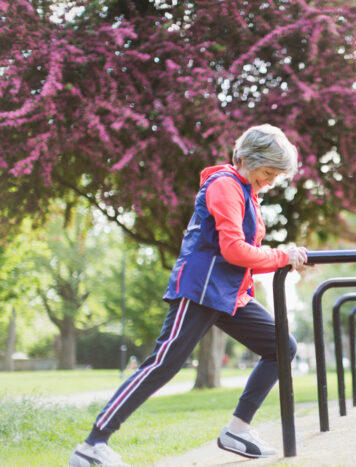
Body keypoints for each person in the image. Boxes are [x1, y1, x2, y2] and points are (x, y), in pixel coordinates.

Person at [70, 124, 308, 466]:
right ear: (245, 159)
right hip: (199, 290)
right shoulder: (225, 184)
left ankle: (237, 430)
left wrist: (284, 258)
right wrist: (281, 255)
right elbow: (234, 251)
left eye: (275, 176)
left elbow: (246, 259)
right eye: (267, 172)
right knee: (163, 364)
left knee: (281, 346)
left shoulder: (247, 190)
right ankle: (92, 445)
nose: (270, 181)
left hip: (228, 294)